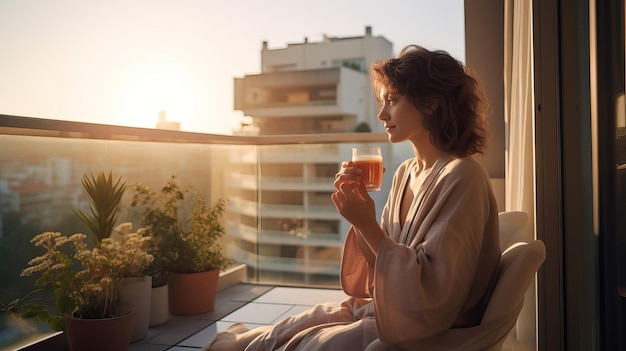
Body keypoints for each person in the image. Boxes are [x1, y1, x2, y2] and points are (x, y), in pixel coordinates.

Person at [204, 45, 501, 351]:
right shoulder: (405, 172)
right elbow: (381, 266)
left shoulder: (464, 176)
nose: (381, 114)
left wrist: (365, 222)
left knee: (312, 344)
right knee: (305, 321)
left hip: (427, 329)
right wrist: (359, 215)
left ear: (431, 104)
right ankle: (242, 343)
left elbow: (434, 293)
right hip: (388, 305)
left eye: (393, 101)